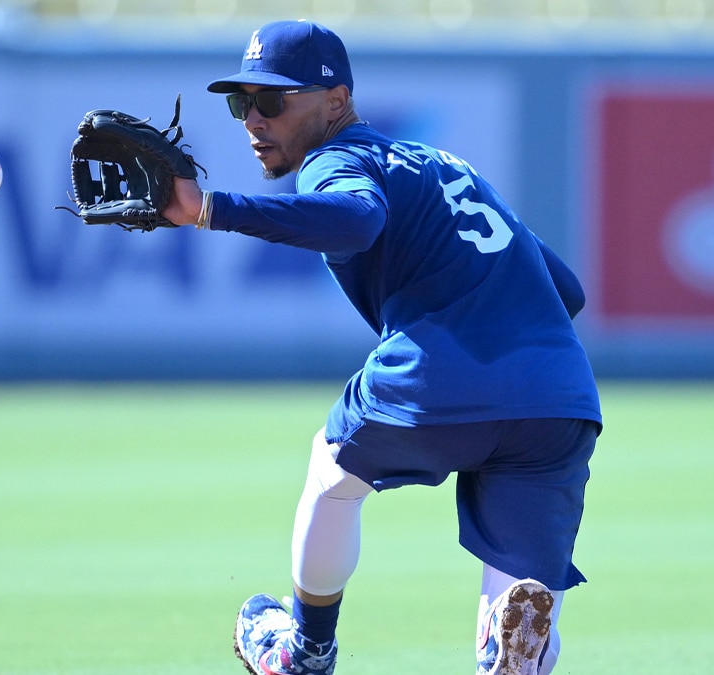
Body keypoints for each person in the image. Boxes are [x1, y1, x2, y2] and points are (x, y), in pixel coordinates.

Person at [162, 19, 602, 675]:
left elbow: (357, 219)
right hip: (559, 396)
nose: (254, 119)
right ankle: (509, 641)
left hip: (436, 376)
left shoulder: (339, 159)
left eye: (273, 100)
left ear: (336, 100)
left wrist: (209, 208)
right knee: (519, 587)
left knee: (331, 470)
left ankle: (304, 647)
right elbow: (564, 289)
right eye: (241, 102)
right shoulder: (445, 166)